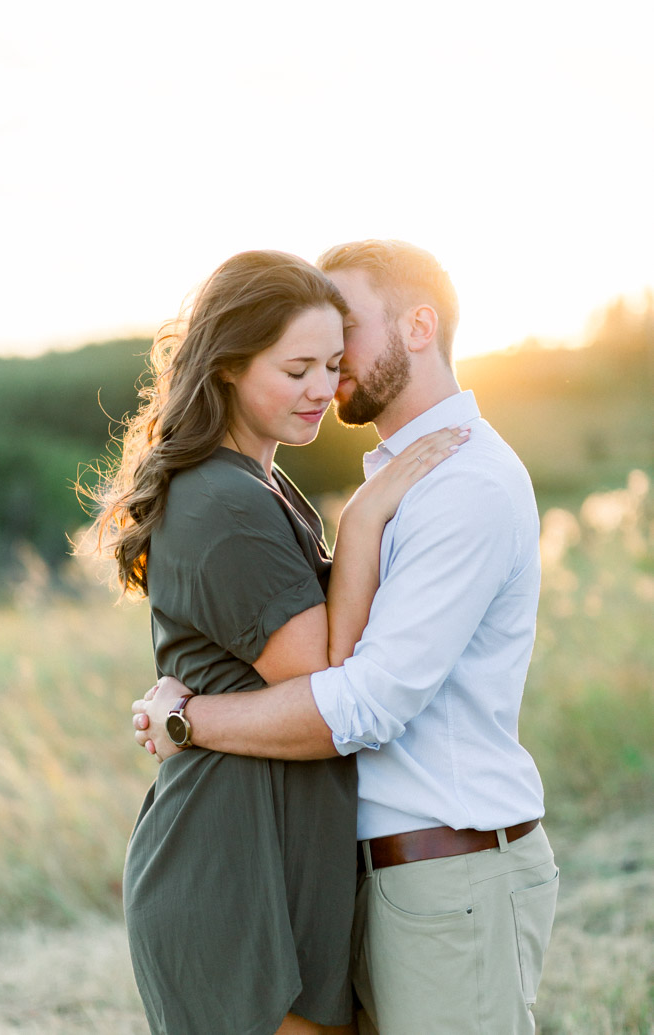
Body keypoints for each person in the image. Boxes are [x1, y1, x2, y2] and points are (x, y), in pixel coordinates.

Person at [134, 239, 559, 1035]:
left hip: (447, 866)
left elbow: (361, 697)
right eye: (303, 364)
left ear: (419, 326)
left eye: (341, 343)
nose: (329, 379)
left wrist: (187, 718)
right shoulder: (374, 482)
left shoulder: (460, 484)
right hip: (349, 870)